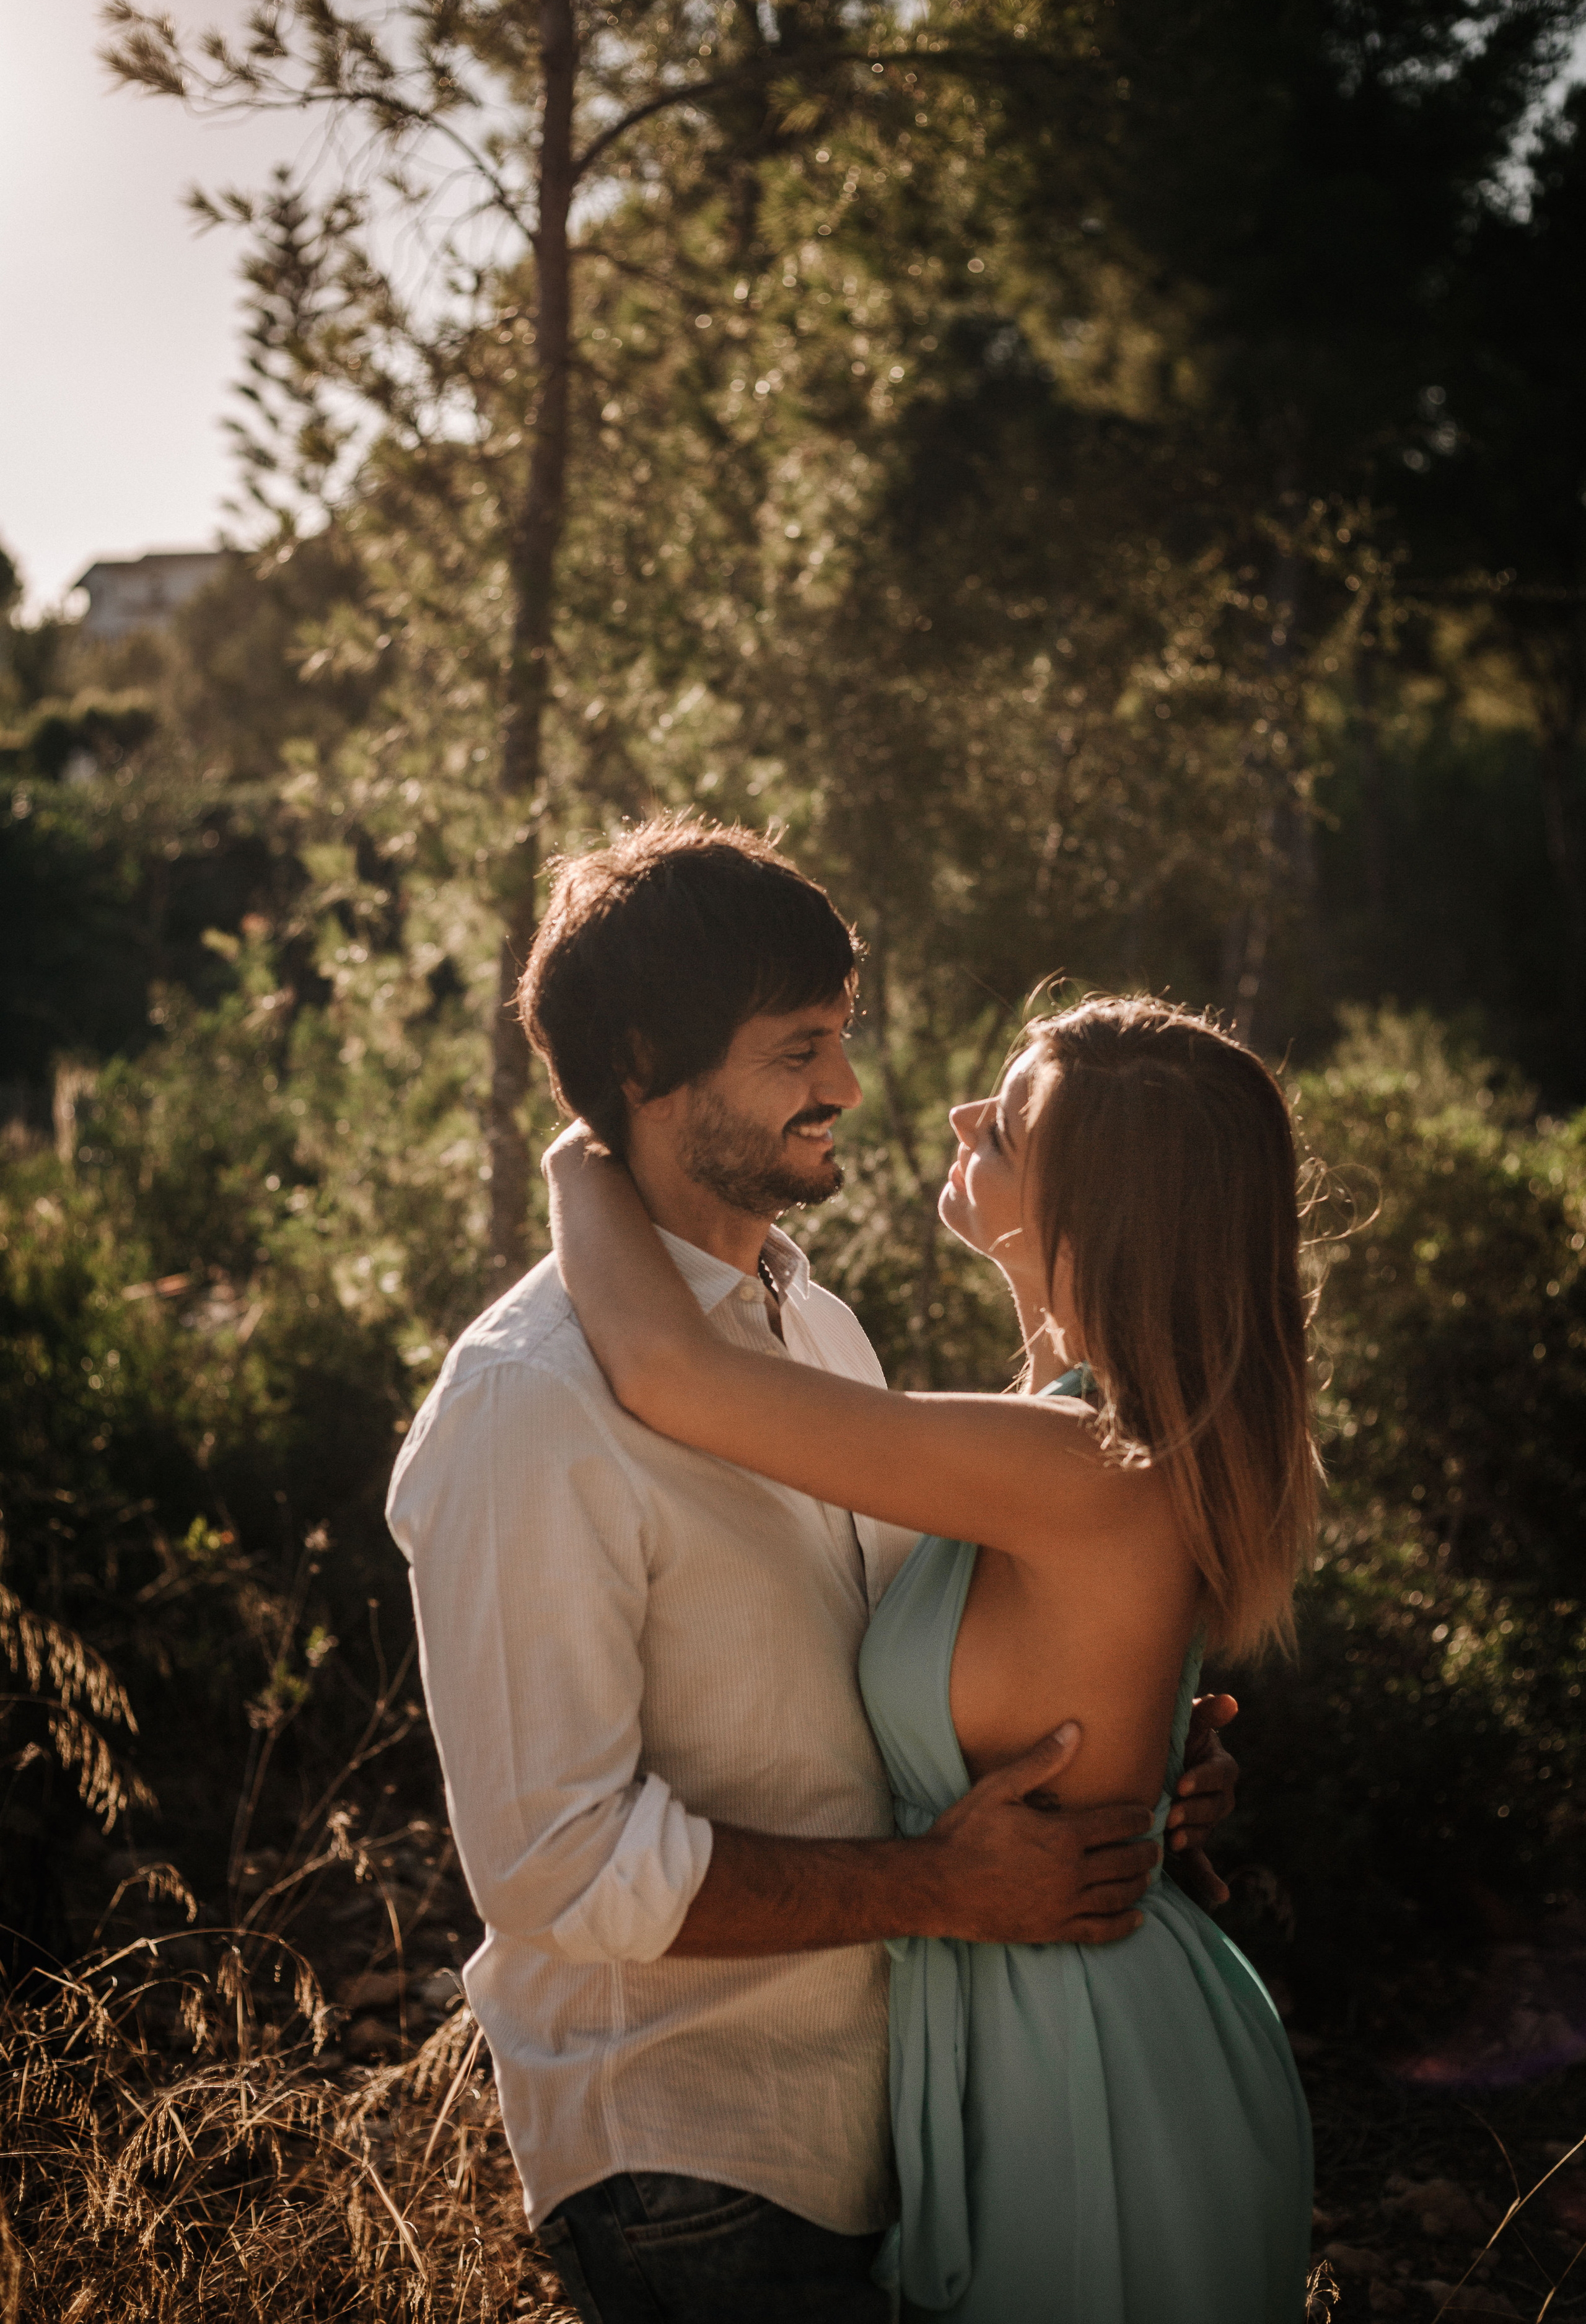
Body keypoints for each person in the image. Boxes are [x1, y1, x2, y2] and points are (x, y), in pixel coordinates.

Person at [387, 818, 1240, 2323]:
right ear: (649, 1061)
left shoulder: (818, 1335)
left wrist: (1119, 1762)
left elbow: (930, 1674)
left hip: (921, 2124)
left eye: (839, 1038)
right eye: (799, 1049)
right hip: (702, 2166)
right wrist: (936, 1885)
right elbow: (551, 1867)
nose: (846, 1088)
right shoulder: (533, 1402)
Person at [546, 986, 1317, 2323]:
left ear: (1103, 1208)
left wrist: (587, 1147)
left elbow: (673, 1376)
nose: (964, 1114)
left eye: (1011, 1121)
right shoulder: (1065, 1434)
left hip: (1080, 2058)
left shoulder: (1083, 1465)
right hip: (1025, 2015)